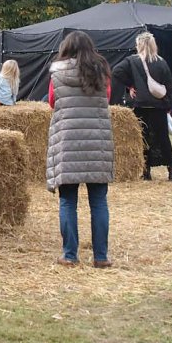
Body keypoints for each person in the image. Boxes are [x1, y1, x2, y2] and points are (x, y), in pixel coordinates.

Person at [46, 31, 114, 268]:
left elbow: (52, 102)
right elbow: (107, 98)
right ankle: (101, 257)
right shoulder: (102, 71)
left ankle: (70, 255)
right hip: (97, 142)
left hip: (67, 141)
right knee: (98, 202)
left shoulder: (57, 72)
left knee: (67, 202)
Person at [112, 32, 172, 181]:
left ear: (139, 45)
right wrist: (168, 104)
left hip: (140, 104)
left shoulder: (131, 61)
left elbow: (116, 72)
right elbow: (168, 84)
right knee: (163, 138)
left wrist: (130, 85)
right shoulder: (161, 62)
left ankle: (146, 170)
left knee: (143, 137)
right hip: (158, 105)